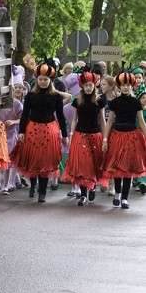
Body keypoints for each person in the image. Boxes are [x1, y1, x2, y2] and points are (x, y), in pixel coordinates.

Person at [9, 58, 69, 203]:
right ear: (37, 79)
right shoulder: (31, 96)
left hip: (50, 131)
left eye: (45, 79)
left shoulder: (55, 97)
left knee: (45, 162)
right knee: (33, 160)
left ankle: (42, 192)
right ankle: (33, 184)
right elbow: (24, 115)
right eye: (40, 79)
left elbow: (60, 116)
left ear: (50, 80)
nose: (43, 82)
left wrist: (65, 135)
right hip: (32, 130)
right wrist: (22, 131)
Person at [60, 68, 106, 206]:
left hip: (95, 134)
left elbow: (102, 120)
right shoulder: (77, 101)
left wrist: (104, 138)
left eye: (90, 85)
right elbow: (74, 119)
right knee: (82, 165)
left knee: (94, 164)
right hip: (80, 134)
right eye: (86, 85)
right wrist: (72, 134)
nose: (88, 88)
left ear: (94, 85)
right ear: (82, 86)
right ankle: (83, 195)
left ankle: (92, 187)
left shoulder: (100, 101)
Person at [101, 70, 146, 209]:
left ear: (132, 85)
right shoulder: (114, 102)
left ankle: (125, 198)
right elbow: (109, 122)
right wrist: (105, 139)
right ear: (119, 86)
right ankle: (118, 194)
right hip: (117, 135)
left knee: (128, 169)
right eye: (123, 85)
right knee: (117, 167)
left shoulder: (136, 103)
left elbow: (141, 121)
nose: (126, 87)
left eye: (128, 85)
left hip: (132, 137)